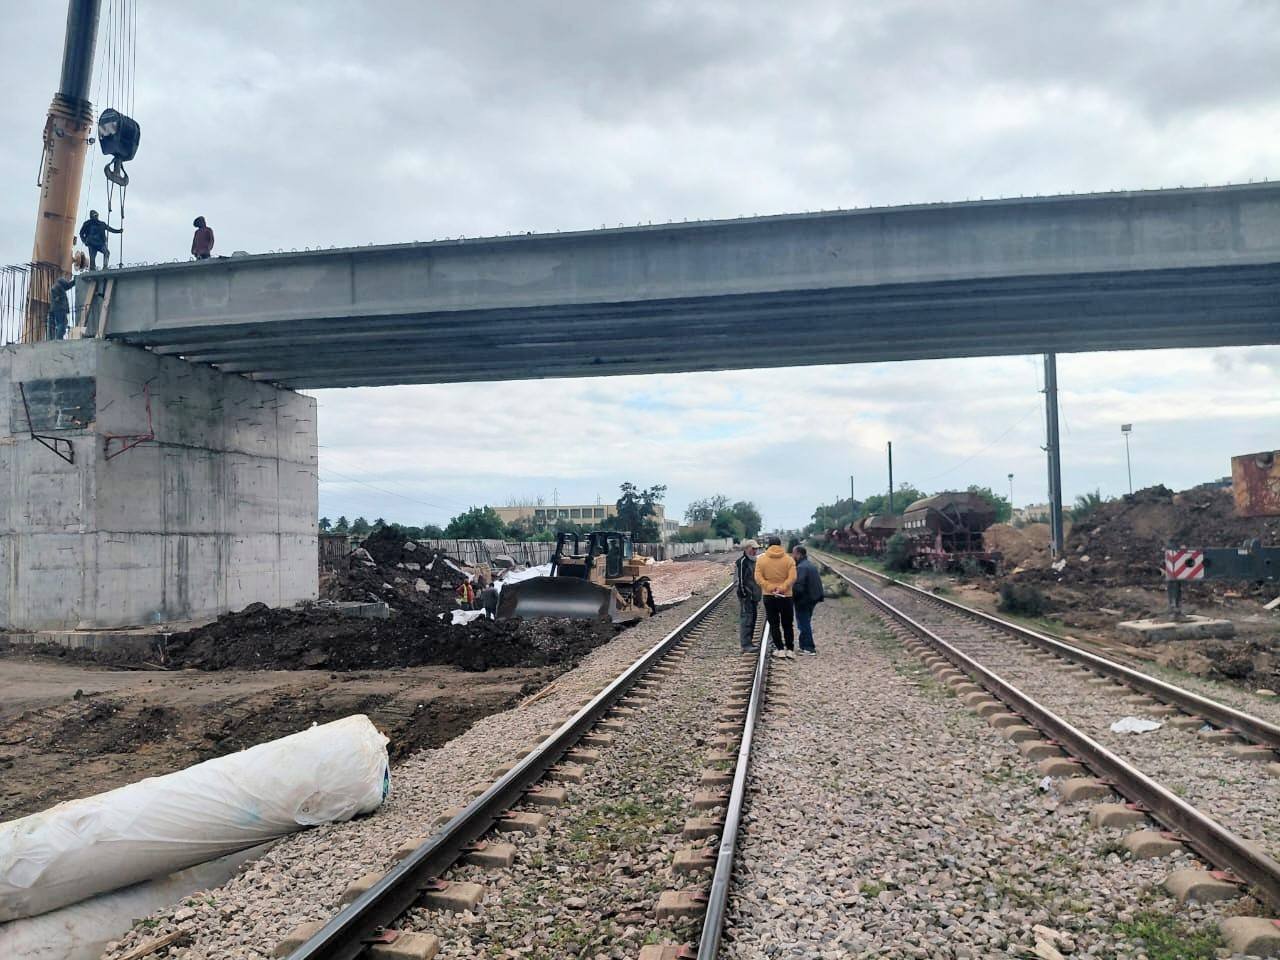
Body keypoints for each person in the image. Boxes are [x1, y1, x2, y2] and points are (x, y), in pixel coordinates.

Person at [754, 536, 796, 657]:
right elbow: (792, 577)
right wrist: (782, 588)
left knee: (774, 623)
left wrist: (770, 587)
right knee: (787, 623)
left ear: (769, 545)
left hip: (769, 595)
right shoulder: (789, 560)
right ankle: (790, 649)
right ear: (780, 544)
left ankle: (780, 649)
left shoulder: (761, 560)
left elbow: (758, 578)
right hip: (786, 596)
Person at [791, 546, 825, 656]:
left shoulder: (801, 567)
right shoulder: (809, 565)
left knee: (803, 624)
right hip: (812, 598)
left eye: (794, 553)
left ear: (799, 554)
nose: (792, 556)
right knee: (805, 622)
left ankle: (809, 648)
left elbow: (799, 586)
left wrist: (791, 596)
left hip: (804, 600)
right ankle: (803, 646)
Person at [734, 539, 762, 653]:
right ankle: (745, 645)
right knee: (747, 619)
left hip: (754, 596)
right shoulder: (742, 562)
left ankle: (749, 642)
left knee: (753, 618)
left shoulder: (754, 561)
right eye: (753, 548)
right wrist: (744, 594)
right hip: (746, 596)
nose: (755, 551)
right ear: (747, 549)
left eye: (756, 549)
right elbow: (739, 580)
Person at [45, 276, 76, 341]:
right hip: (59, 309)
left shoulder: (60, 286)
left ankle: (57, 337)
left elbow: (68, 286)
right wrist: (58, 297)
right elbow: (56, 296)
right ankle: (59, 338)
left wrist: (74, 281)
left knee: (59, 324)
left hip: (58, 308)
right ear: (62, 282)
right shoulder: (57, 287)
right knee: (62, 323)